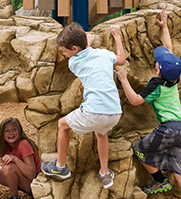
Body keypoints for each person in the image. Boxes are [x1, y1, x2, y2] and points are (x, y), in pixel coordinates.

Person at [114, 10, 181, 199]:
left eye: (158, 61)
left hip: (169, 129)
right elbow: (170, 52)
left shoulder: (156, 84)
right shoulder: (173, 77)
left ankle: (160, 181)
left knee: (140, 150)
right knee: (180, 172)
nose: (157, 61)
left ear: (158, 69)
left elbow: (135, 100)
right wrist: (164, 27)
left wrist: (124, 78)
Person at [41, 22, 125, 189]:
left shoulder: (74, 63)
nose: (64, 55)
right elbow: (121, 60)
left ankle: (60, 167)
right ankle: (104, 173)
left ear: (74, 49)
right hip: (115, 113)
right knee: (101, 133)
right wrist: (117, 36)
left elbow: (82, 53)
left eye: (64, 51)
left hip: (94, 112)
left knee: (62, 125)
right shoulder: (104, 54)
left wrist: (86, 43)